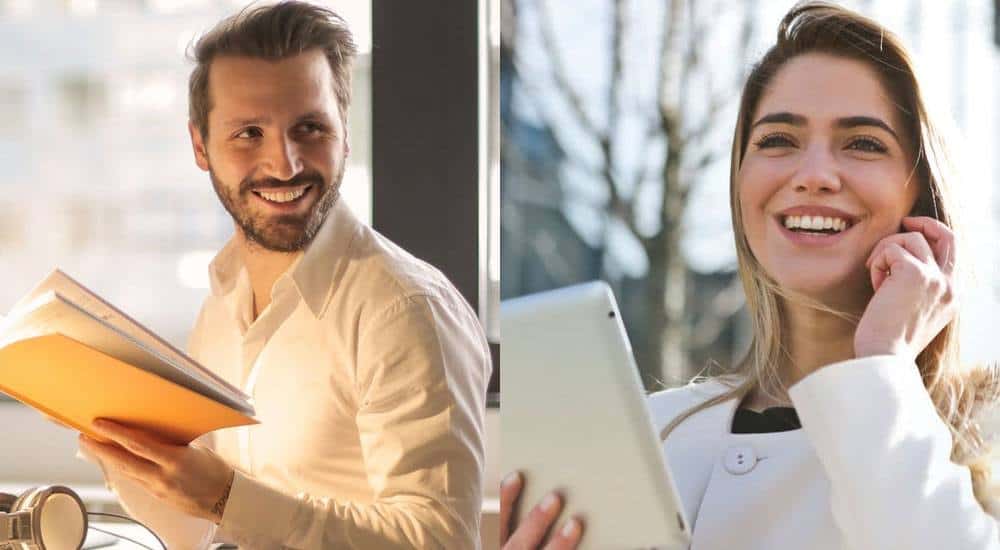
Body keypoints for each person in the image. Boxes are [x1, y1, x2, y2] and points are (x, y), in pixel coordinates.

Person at [501, 2, 1000, 549]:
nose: (812, 176)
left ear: (922, 196)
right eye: (778, 140)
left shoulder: (987, 430)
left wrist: (882, 362)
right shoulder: (651, 436)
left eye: (862, 143)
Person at [76, 2, 492, 548]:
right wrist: (123, 447)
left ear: (345, 131)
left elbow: (440, 540)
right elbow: (197, 529)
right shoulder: (222, 305)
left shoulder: (405, 308)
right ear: (200, 146)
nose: (285, 164)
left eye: (309, 128)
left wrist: (227, 495)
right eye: (249, 133)